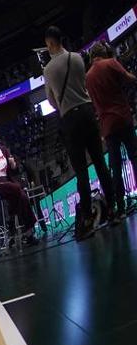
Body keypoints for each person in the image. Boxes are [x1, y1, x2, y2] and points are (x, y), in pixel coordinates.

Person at [44, 26, 114, 238]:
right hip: (87, 111)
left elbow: (51, 101)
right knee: (100, 164)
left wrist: (65, 105)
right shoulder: (77, 58)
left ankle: (87, 220)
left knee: (81, 173)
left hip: (70, 118)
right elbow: (82, 83)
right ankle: (113, 210)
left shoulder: (48, 70)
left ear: (50, 43)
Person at [86, 41, 137, 222]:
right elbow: (130, 79)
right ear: (105, 53)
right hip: (123, 119)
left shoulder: (88, 77)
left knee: (115, 168)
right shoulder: (111, 63)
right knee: (135, 157)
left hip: (107, 126)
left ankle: (120, 209)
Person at [0, 127, 38, 242]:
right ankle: (24, 227)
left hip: (9, 181)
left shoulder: (4, 150)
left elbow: (14, 170)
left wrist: (13, 164)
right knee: (18, 188)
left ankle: (22, 228)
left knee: (22, 196)